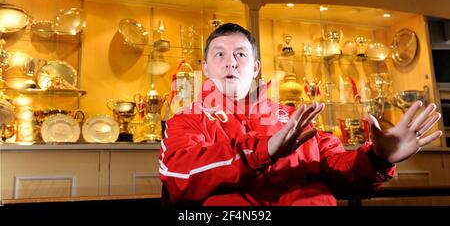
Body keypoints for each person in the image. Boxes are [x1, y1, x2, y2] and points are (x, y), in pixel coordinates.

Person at [159, 23, 442, 206]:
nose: (231, 62)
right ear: (205, 68)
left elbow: (338, 172)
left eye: (240, 55)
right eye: (219, 54)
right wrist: (263, 150)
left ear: (255, 68)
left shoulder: (294, 118)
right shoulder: (187, 120)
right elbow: (178, 176)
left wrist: (376, 158)